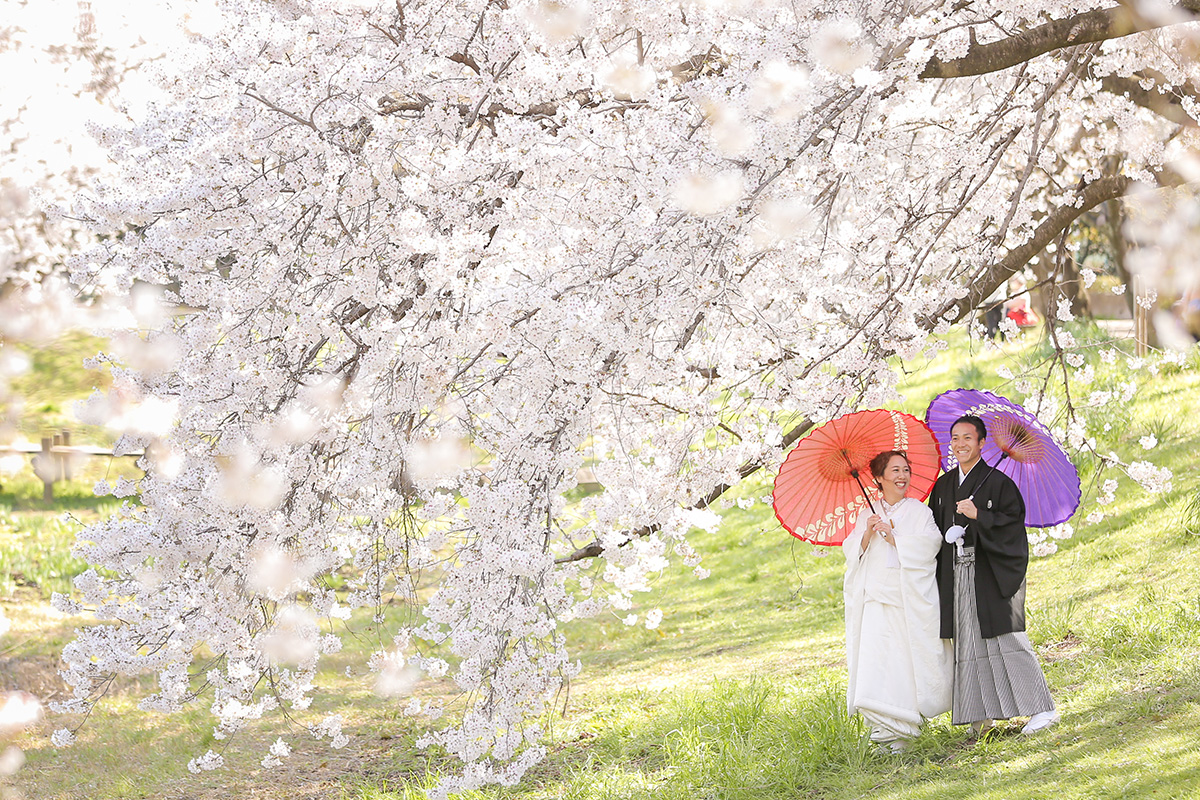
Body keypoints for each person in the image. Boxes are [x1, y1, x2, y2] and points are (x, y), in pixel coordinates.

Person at [929, 415, 1058, 737]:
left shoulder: (999, 483)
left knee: (1006, 637)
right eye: (955, 438)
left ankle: (1042, 708)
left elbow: (1012, 526)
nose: (960, 444)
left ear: (982, 443)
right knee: (966, 641)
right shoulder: (944, 486)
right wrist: (948, 535)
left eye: (968, 438)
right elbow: (932, 528)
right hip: (954, 573)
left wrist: (979, 516)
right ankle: (979, 716)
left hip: (989, 572)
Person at [843, 450, 952, 752]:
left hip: (906, 597)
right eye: (895, 471)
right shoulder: (868, 512)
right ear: (878, 478)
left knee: (903, 661)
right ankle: (882, 730)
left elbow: (932, 544)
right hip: (876, 597)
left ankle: (904, 728)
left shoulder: (919, 512)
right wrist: (867, 534)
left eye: (906, 470)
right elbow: (852, 551)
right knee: (878, 661)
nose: (902, 476)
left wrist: (895, 537)